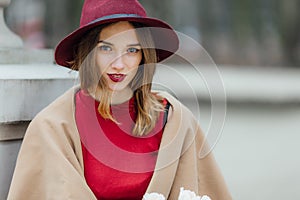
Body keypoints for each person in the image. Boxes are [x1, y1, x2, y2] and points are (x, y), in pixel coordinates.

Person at [8, 0, 232, 199]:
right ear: (88, 53)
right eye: (106, 48)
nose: (119, 64)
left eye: (132, 50)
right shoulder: (53, 127)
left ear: (144, 55)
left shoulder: (174, 120)